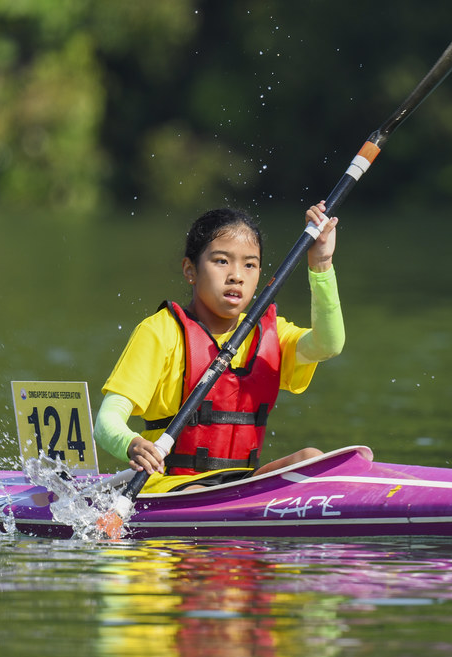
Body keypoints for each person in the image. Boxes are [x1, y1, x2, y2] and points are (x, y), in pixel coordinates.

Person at [93, 203, 343, 491]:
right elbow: (106, 423)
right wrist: (132, 444)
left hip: (239, 484)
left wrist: (321, 264)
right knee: (198, 492)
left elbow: (329, 344)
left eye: (249, 265)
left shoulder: (269, 332)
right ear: (190, 270)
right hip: (171, 484)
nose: (237, 275)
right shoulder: (160, 332)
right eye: (222, 261)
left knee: (312, 459)